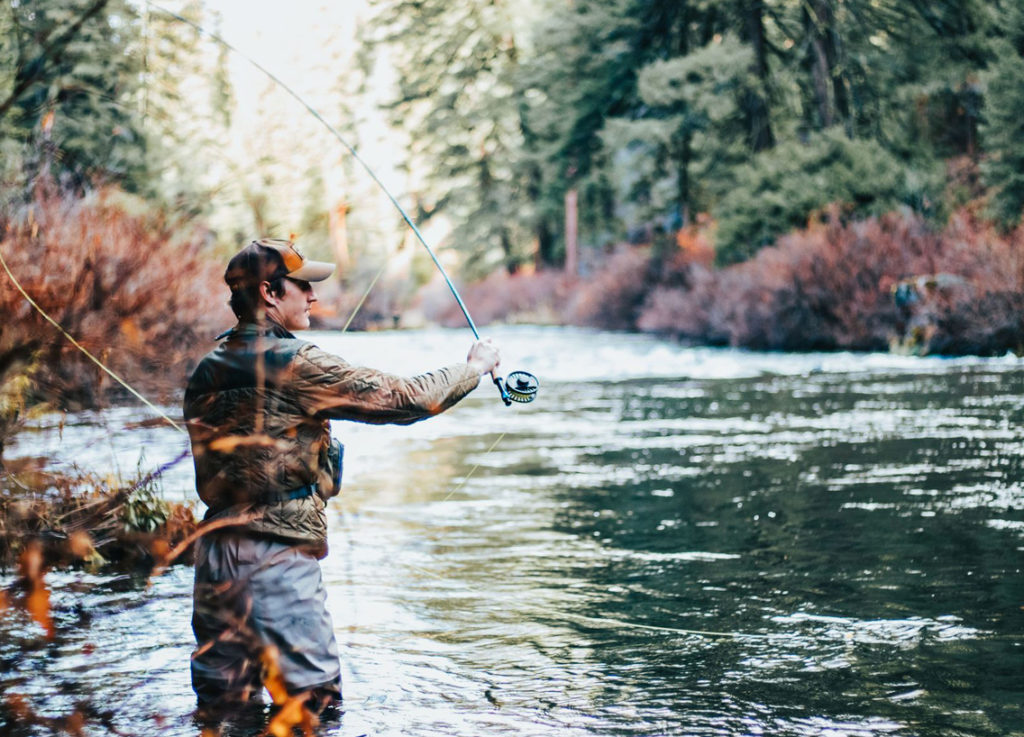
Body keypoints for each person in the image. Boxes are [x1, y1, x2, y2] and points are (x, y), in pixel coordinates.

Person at [183, 238, 500, 714]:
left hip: (214, 560)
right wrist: (472, 368)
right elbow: (404, 399)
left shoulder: (206, 370)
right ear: (270, 292)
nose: (312, 296)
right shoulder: (296, 362)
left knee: (224, 715)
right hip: (275, 557)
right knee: (313, 711)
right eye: (303, 286)